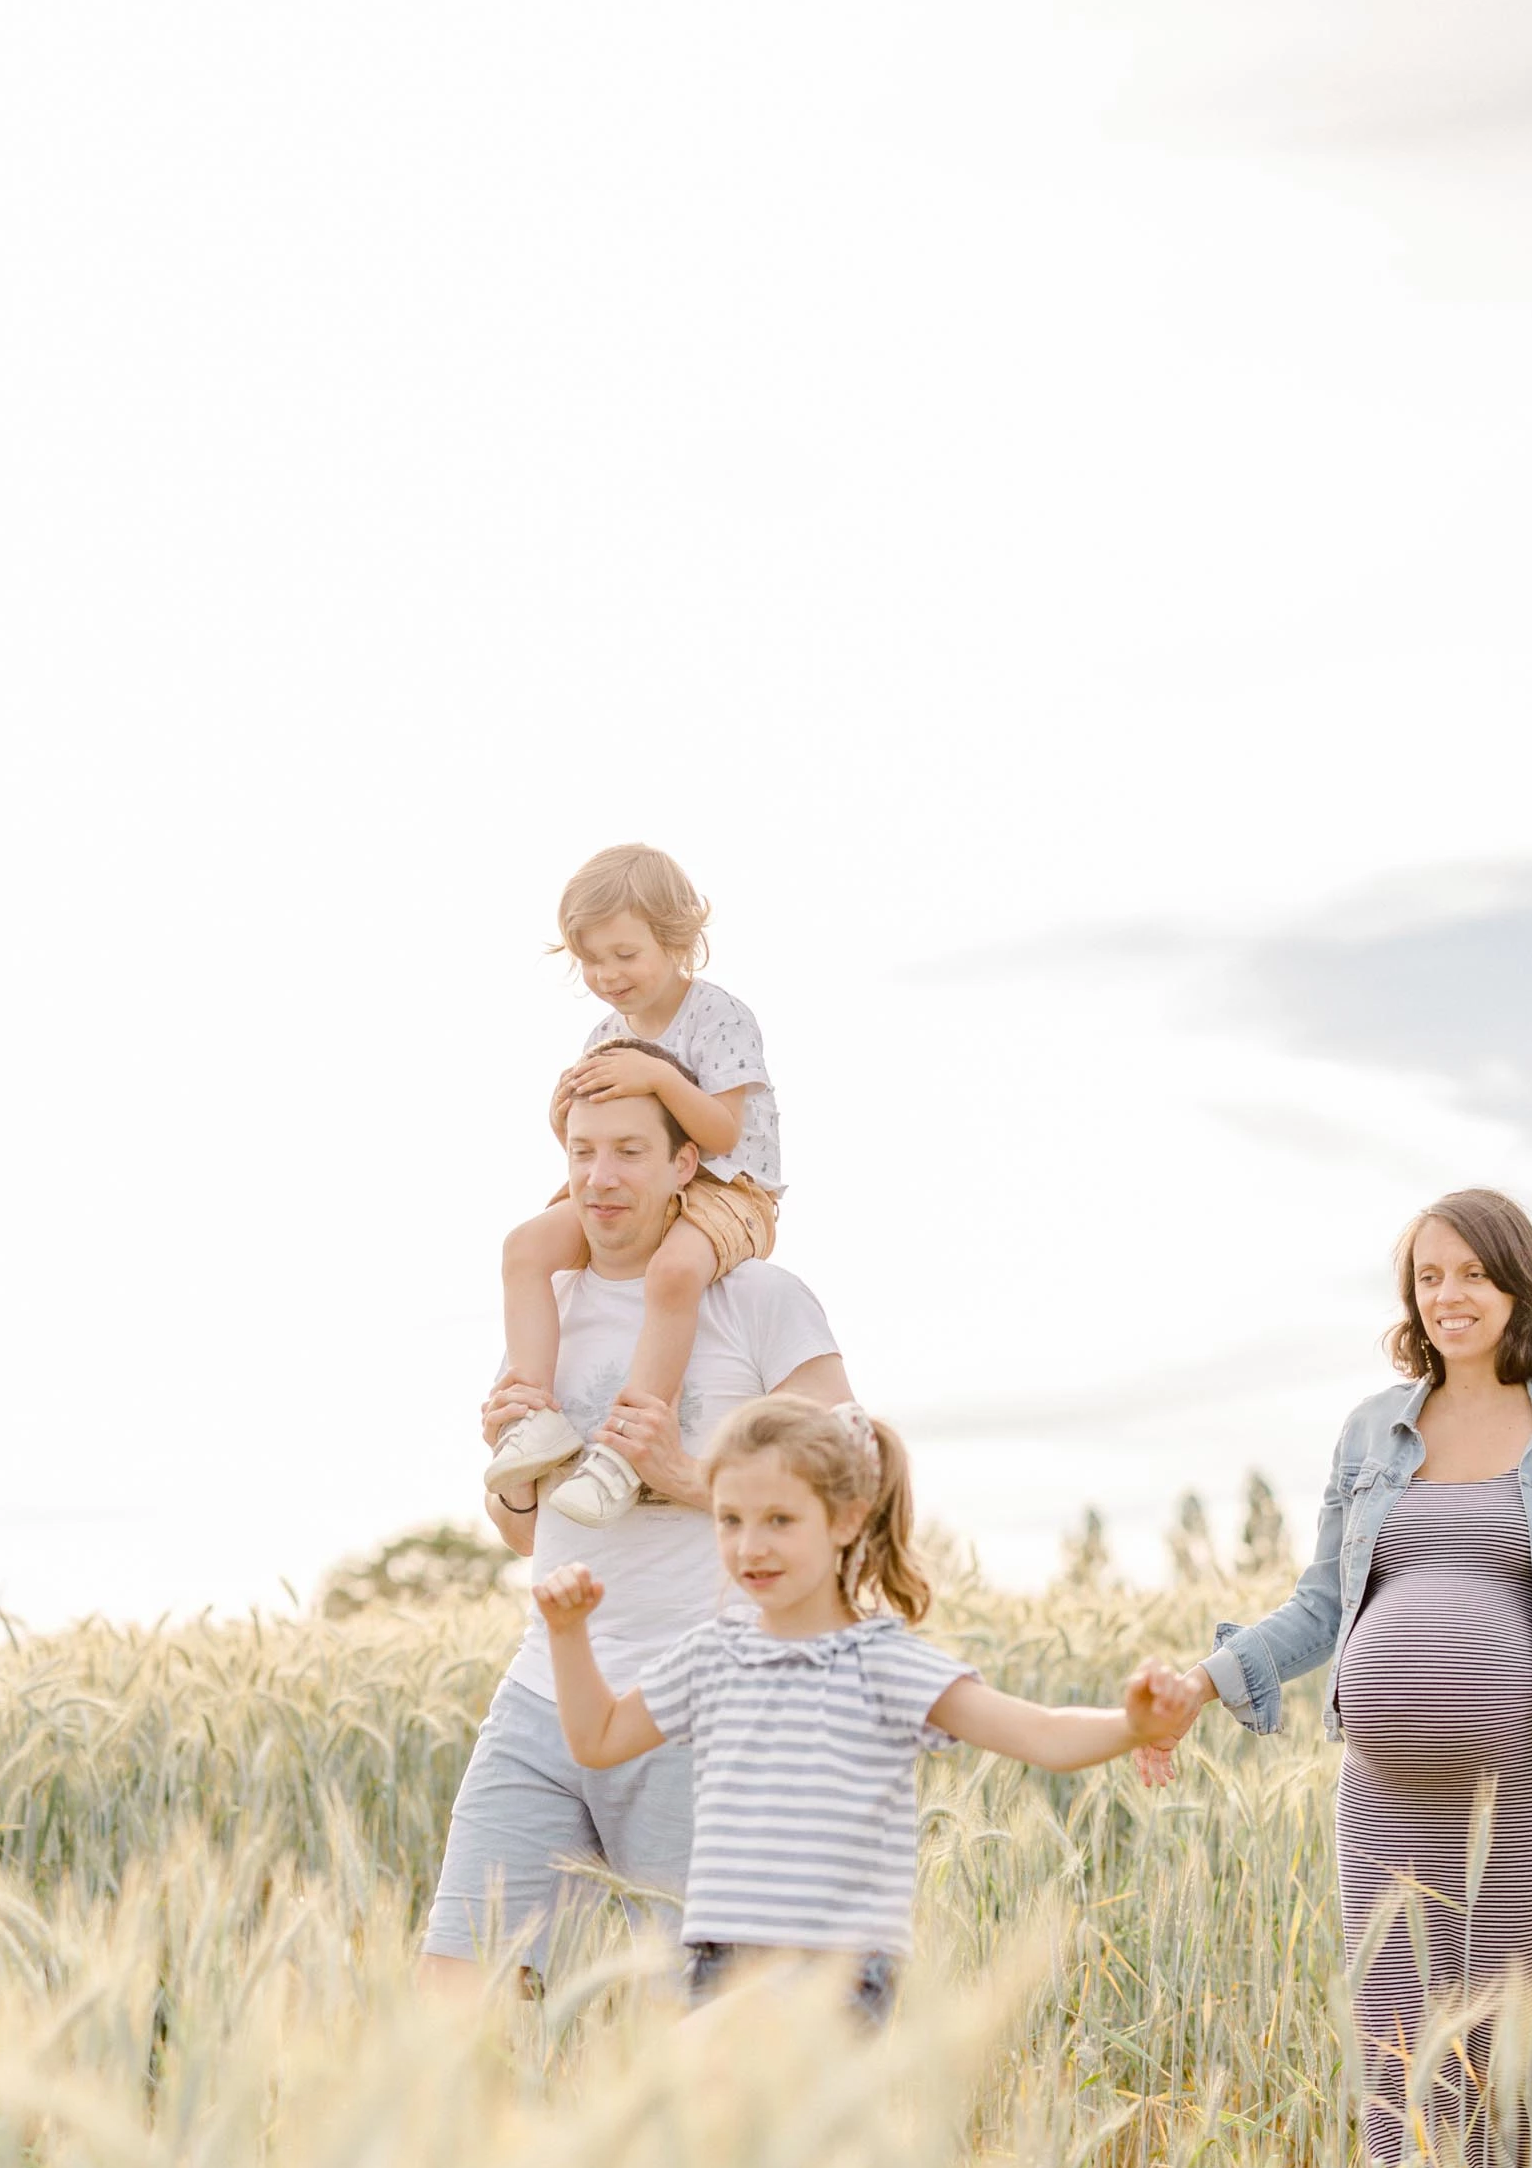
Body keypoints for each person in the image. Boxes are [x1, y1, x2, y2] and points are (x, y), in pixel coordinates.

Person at [1167, 1189, 1532, 2168]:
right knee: (1401, 2058)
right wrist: (1208, 1680)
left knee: (1520, 2055)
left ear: (1518, 1286)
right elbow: (1319, 1605)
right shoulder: (1371, 1431)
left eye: (1473, 1276)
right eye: (1430, 1277)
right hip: (1387, 1803)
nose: (1450, 1297)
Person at [532, 1396, 1199, 2021]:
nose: (749, 1547)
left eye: (780, 1520)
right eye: (729, 1520)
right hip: (719, 1965)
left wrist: (1134, 1725)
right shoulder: (709, 1659)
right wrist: (567, 1634)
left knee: (674, 2085)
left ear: (846, 1519)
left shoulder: (880, 1663)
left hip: (835, 1976)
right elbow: (600, 1738)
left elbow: (1042, 1734)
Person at [417, 1066, 848, 1993]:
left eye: (627, 1153)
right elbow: (520, 1535)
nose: (600, 1177)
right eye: (582, 1153)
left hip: (701, 1706)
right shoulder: (550, 1307)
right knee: (455, 1993)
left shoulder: (760, 1299)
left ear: (685, 1164)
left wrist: (689, 1478)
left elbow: (857, 1476)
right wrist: (515, 1469)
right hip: (546, 1695)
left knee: (703, 2016)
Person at [485, 842, 784, 1529]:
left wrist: (659, 1079)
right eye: (591, 959)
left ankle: (627, 1448)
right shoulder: (605, 1031)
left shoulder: (720, 1017)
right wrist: (562, 1113)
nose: (606, 974)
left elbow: (720, 1133)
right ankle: (534, 1415)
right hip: (641, 1185)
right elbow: (592, 1143)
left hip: (730, 1189)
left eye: (624, 954)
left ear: (677, 941)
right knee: (525, 1247)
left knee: (675, 1272)